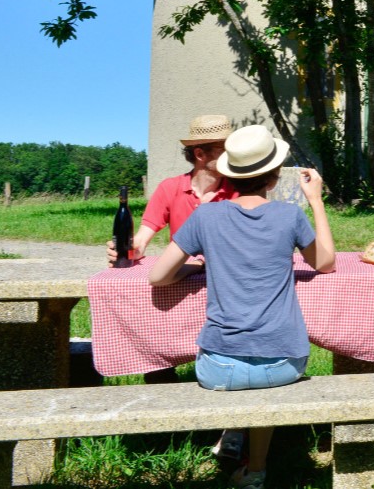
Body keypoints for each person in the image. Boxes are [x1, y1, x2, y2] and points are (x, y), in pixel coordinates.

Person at [149, 124, 335, 489]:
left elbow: (158, 276)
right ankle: (256, 470)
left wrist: (197, 264)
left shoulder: (205, 217)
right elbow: (326, 262)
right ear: (274, 175)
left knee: (245, 371)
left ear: (231, 173)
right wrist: (315, 199)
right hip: (283, 364)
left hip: (217, 369)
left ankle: (234, 436)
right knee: (261, 375)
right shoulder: (288, 216)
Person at [107, 114, 239, 265]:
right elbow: (142, 238)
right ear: (200, 154)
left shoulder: (239, 190)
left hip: (224, 272)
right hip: (182, 274)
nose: (231, 154)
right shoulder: (169, 188)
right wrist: (133, 249)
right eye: (224, 148)